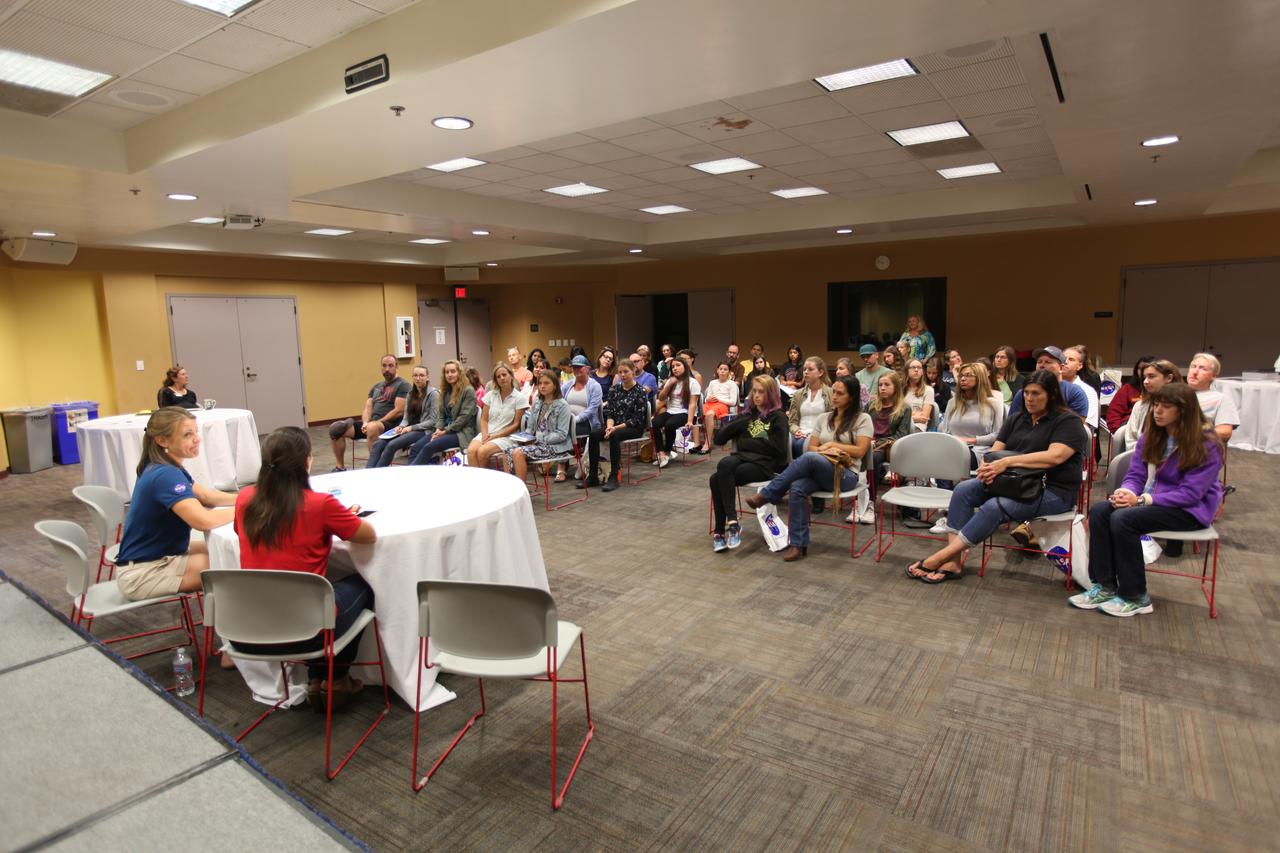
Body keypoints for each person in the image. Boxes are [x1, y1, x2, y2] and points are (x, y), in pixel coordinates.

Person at [233, 426, 377, 709]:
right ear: (307, 462)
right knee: (365, 585)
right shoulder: (320, 504)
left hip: (248, 628)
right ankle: (336, 678)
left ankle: (315, 678)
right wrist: (340, 517)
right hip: (305, 630)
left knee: (317, 597)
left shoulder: (244, 499)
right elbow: (368, 535)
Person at [906, 370, 1089, 583]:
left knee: (994, 506)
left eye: (1036, 393)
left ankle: (941, 556)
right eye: (1027, 393)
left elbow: (1054, 457)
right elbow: (995, 451)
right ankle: (953, 562)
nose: (1029, 398)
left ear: (1051, 394)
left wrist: (1007, 462)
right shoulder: (1018, 419)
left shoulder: (1068, 421)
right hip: (1013, 483)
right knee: (964, 490)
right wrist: (987, 467)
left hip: (1053, 491)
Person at [1072, 383, 1223, 616]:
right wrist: (1128, 492)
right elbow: (1135, 475)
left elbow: (1191, 494)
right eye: (1155, 405)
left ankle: (1136, 595)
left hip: (1191, 510)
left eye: (1166, 406)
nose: (1157, 411)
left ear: (1184, 410)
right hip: (1151, 502)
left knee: (1124, 519)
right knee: (1101, 511)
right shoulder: (1151, 436)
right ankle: (1105, 586)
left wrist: (1142, 500)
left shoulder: (1207, 443)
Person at [113, 407, 236, 602]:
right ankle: (239, 623)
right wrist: (249, 508)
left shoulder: (164, 466)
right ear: (162, 440)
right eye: (188, 434)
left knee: (230, 550)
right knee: (233, 562)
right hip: (145, 573)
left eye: (196, 432)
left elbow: (206, 496)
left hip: (155, 557)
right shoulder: (165, 474)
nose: (197, 438)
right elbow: (203, 520)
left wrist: (251, 496)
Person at [745, 375, 872, 561]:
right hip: (821, 469)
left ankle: (767, 494)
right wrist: (823, 449)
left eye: (840, 393)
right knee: (797, 487)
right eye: (834, 392)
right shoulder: (824, 418)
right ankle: (799, 544)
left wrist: (831, 446)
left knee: (810, 458)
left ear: (851, 397)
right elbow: (812, 446)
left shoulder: (863, 419)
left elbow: (860, 451)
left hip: (846, 475)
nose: (834, 396)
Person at [708, 374, 789, 552]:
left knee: (716, 479)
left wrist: (745, 442)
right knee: (723, 466)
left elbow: (778, 449)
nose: (757, 395)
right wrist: (740, 421)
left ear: (771, 394)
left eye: (761, 392)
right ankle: (732, 523)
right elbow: (719, 439)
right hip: (743, 459)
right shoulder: (749, 415)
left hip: (764, 466)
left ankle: (721, 531)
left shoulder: (778, 417)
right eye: (754, 391)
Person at [329, 354, 409, 472]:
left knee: (372, 427)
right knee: (336, 429)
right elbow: (368, 407)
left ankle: (375, 469)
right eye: (384, 366)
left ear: (397, 367)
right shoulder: (376, 386)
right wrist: (365, 422)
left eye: (391, 366)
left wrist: (377, 422)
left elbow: (398, 410)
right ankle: (340, 467)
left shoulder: (403, 385)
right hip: (373, 424)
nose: (387, 369)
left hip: (392, 426)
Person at [582, 359, 648, 491]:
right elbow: (610, 413)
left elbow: (637, 419)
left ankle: (613, 476)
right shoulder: (614, 389)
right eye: (620, 372)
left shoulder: (640, 391)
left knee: (614, 436)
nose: (623, 375)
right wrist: (609, 426)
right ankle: (593, 476)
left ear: (633, 371)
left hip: (633, 427)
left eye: (626, 372)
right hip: (614, 425)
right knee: (594, 434)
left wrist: (614, 429)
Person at [365, 365, 439, 468]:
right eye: (415, 375)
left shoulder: (434, 394)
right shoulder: (410, 394)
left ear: (427, 377)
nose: (418, 378)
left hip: (424, 430)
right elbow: (406, 417)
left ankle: (378, 474)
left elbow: (433, 421)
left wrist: (411, 428)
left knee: (392, 445)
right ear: (412, 377)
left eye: (422, 375)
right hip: (408, 428)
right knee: (378, 444)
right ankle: (369, 472)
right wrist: (402, 426)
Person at [507, 370, 573, 484]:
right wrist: (525, 438)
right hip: (537, 443)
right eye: (540, 383)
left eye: (547, 383)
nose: (542, 386)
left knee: (518, 453)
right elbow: (531, 427)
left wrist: (539, 438)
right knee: (507, 451)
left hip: (556, 447)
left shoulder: (563, 405)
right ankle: (512, 487)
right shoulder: (538, 402)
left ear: (555, 385)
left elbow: (562, 435)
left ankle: (521, 490)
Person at [409, 359, 477, 463]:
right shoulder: (445, 391)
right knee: (416, 447)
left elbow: (462, 419)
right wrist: (438, 430)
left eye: (453, 371)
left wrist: (444, 431)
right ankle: (413, 474)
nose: (449, 374)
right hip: (444, 431)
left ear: (459, 373)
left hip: (461, 432)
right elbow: (441, 417)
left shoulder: (468, 391)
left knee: (428, 447)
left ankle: (410, 476)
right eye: (447, 372)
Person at [466, 363, 529, 470]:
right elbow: (484, 419)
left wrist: (495, 436)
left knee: (482, 451)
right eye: (498, 376)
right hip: (487, 433)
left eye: (504, 374)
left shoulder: (519, 398)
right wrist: (485, 434)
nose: (502, 378)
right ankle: (477, 483)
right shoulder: (490, 395)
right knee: (471, 451)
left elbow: (516, 424)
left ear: (511, 375)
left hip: (507, 436)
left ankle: (489, 483)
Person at [941, 363, 1006, 461]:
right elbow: (945, 431)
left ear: (980, 378)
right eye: (961, 376)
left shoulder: (993, 404)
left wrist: (970, 440)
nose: (962, 379)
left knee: (953, 458)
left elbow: (997, 435)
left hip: (979, 450)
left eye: (968, 375)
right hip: (952, 448)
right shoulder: (952, 402)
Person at [1009, 347, 1089, 420]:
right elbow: (1012, 423)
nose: (1042, 365)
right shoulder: (1023, 393)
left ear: (1061, 368)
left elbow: (1077, 427)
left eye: (1048, 362)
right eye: (1039, 362)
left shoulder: (1075, 393)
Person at [1118, 359, 1182, 451]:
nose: (1145, 382)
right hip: (1140, 457)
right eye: (1144, 377)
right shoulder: (1139, 406)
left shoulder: (1183, 406)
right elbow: (1131, 440)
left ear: (1169, 378)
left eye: (1151, 377)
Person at [866, 371, 912, 497]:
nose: (883, 388)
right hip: (868, 442)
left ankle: (870, 499)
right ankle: (857, 495)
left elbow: (901, 434)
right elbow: (861, 425)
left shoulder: (904, 408)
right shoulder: (871, 405)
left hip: (887, 445)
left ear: (896, 387)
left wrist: (877, 443)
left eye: (887, 385)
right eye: (880, 385)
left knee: (873, 457)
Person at [652, 355, 701, 467]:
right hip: (671, 411)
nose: (675, 368)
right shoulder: (671, 381)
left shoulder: (693, 382)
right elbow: (661, 398)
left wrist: (689, 421)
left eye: (678, 365)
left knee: (670, 425)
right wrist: (669, 384)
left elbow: (692, 403)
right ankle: (661, 454)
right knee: (654, 423)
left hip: (686, 413)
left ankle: (668, 452)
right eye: (673, 366)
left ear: (685, 367)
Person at [560, 354, 603, 480]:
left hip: (587, 423)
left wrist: (576, 419)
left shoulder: (595, 386)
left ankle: (565, 467)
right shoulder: (567, 385)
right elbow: (560, 403)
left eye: (580, 367)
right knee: (558, 431)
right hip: (568, 421)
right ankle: (561, 467)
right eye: (574, 367)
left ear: (587, 368)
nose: (576, 370)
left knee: (563, 432)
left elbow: (592, 410)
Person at [1186, 352, 1239, 441]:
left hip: (1197, 448)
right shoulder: (1174, 392)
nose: (1195, 372)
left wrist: (1188, 432)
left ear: (1213, 376)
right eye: (1193, 366)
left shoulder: (1221, 399)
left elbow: (1225, 433)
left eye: (1203, 369)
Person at [787, 356, 832, 458]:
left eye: (810, 369)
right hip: (800, 433)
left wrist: (815, 435)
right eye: (804, 369)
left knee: (801, 444)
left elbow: (833, 421)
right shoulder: (797, 394)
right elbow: (792, 421)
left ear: (820, 373)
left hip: (819, 434)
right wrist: (796, 430)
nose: (806, 372)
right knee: (787, 443)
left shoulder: (831, 393)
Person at [698, 361, 740, 454]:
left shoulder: (731, 384)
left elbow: (733, 402)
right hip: (711, 403)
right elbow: (706, 399)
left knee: (709, 414)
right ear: (717, 370)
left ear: (729, 372)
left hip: (723, 405)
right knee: (698, 412)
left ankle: (707, 443)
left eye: (725, 369)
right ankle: (697, 442)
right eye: (720, 369)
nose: (722, 371)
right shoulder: (712, 382)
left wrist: (718, 399)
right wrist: (710, 398)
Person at [1106, 355, 1154, 433]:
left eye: (1145, 368)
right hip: (1128, 427)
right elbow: (1114, 413)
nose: (1142, 371)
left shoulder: (1162, 391)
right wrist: (1119, 432)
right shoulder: (1128, 388)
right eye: (1139, 368)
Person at [1062, 346, 1100, 429]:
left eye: (1071, 359)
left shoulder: (1088, 391)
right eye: (1063, 358)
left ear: (1079, 366)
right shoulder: (1048, 386)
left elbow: (1086, 424)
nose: (1065, 362)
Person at [855, 344, 892, 409]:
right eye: (863, 357)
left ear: (877, 355)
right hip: (863, 411)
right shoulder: (858, 376)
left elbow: (894, 393)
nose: (866, 359)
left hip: (883, 409)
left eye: (868, 356)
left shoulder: (888, 373)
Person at [903, 358, 936, 431]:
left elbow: (924, 418)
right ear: (906, 371)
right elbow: (895, 414)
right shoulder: (900, 390)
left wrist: (906, 416)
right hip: (901, 426)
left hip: (918, 427)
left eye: (919, 367)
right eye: (913, 367)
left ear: (922, 372)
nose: (916, 370)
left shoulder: (929, 390)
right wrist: (915, 416)